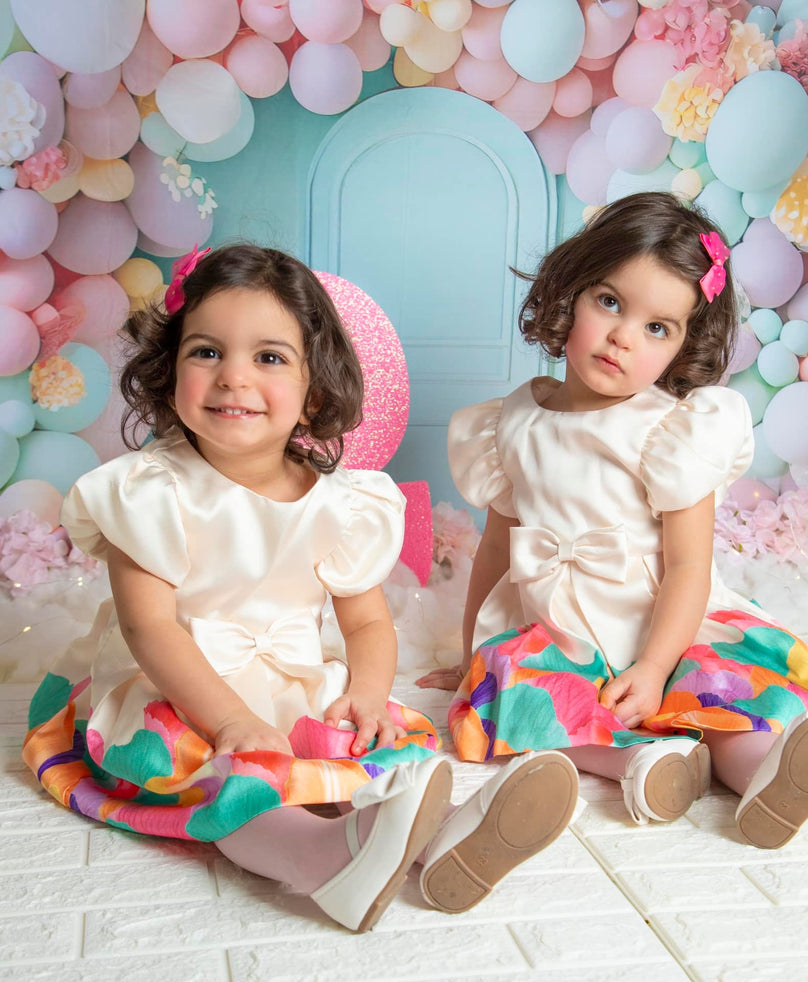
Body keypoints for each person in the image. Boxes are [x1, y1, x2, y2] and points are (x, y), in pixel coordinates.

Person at [23, 244, 579, 932]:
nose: (233, 377)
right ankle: (319, 858)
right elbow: (149, 627)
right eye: (206, 352)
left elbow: (367, 623)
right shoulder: (151, 491)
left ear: (314, 391)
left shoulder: (340, 503)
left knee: (357, 740)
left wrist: (367, 692)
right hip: (177, 685)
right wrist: (228, 719)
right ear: (169, 373)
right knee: (224, 771)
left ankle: (441, 842)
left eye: (268, 357)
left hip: (286, 679)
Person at [418, 192, 808, 849]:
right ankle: (645, 763)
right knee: (515, 696)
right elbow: (495, 549)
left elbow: (688, 565)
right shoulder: (513, 422)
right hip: (563, 632)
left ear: (684, 346)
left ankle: (768, 774)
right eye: (609, 302)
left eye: (658, 328)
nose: (624, 336)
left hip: (662, 625)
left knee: (712, 690)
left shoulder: (671, 430)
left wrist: (655, 666)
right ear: (570, 291)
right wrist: (470, 655)